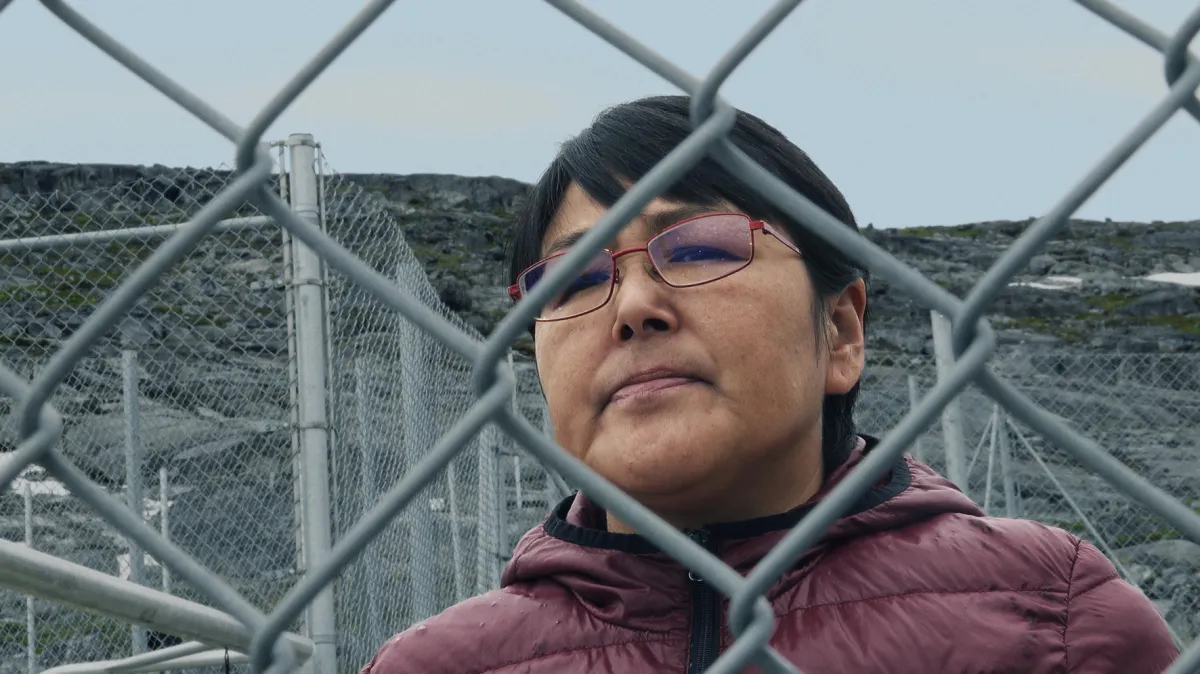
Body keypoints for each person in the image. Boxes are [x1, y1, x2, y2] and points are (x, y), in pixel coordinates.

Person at [361, 95, 1178, 673]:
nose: (635, 306)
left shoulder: (1057, 621)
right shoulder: (433, 666)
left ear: (841, 332)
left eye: (703, 247)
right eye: (573, 277)